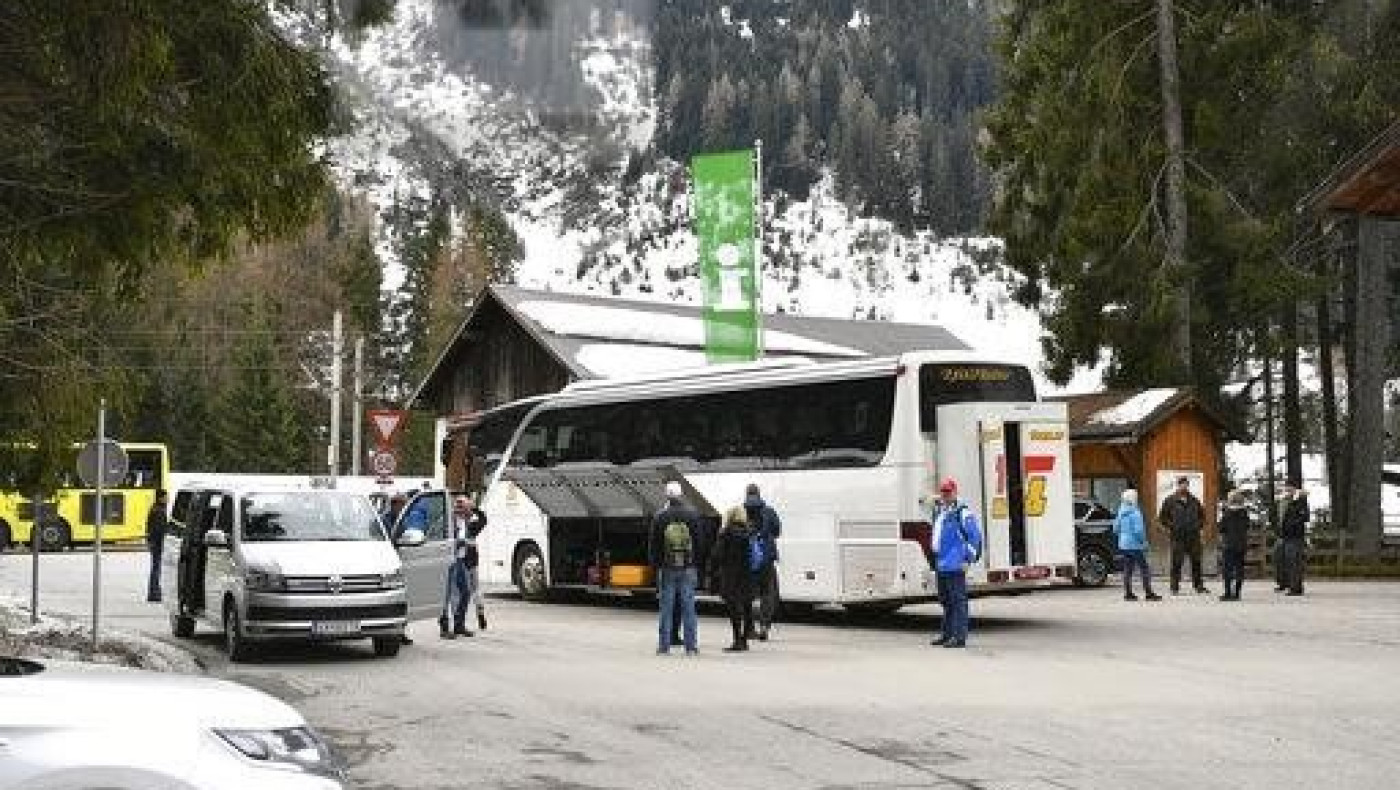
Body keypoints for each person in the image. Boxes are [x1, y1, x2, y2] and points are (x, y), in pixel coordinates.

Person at [927, 477, 983, 648]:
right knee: (945, 600)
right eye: (943, 492)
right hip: (941, 563)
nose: (945, 495)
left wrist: (968, 560)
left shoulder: (963, 513)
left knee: (958, 601)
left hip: (955, 563)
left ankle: (959, 637)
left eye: (948, 492)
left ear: (955, 492)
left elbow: (975, 537)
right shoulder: (941, 511)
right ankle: (947, 634)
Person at [651, 481, 701, 655]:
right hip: (688, 566)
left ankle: (664, 646)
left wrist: (656, 566)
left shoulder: (660, 517)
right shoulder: (692, 516)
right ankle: (691, 646)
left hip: (667, 567)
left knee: (666, 607)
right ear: (681, 495)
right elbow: (699, 542)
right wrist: (696, 563)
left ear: (667, 495)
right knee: (689, 606)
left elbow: (654, 546)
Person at [712, 505, 758, 652]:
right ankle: (744, 639)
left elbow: (717, 555)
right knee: (746, 606)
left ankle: (737, 640)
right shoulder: (749, 531)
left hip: (731, 575)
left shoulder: (726, 533)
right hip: (748, 574)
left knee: (734, 608)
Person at [743, 483, 782, 641]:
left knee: (747, 594)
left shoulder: (741, 511)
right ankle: (764, 625)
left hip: (749, 559)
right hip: (766, 559)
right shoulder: (769, 511)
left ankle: (749, 627)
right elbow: (777, 531)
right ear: (759, 494)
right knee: (768, 593)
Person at [1158, 476, 1209, 594]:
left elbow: (1202, 517)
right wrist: (1172, 527)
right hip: (1177, 537)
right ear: (1178, 485)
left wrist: (1198, 525)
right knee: (1176, 563)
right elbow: (1162, 518)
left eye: (1186, 484)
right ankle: (1174, 587)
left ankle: (1198, 586)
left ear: (1188, 486)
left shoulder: (1194, 500)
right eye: (1182, 484)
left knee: (1196, 562)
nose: (1184, 486)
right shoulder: (1170, 500)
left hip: (1193, 536)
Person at [440, 495, 478, 639]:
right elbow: (444, 539)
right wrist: (461, 542)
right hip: (448, 560)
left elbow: (483, 520)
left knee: (466, 592)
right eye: (464, 508)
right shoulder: (448, 521)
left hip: (461, 560)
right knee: (445, 594)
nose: (469, 512)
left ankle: (459, 625)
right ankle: (444, 627)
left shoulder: (467, 522)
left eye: (469, 509)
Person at [1114, 489, 1161, 602]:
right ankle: (1148, 593)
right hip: (1134, 545)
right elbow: (1139, 531)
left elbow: (1115, 528)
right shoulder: (1135, 512)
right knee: (1144, 568)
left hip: (1124, 545)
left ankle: (1128, 593)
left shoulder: (1121, 512)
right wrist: (1144, 542)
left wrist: (1123, 536)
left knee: (1128, 569)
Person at [1277, 480, 1309, 596]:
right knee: (1286, 560)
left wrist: (1292, 524)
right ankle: (1288, 584)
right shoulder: (1284, 500)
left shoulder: (1301, 500)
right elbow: (1282, 517)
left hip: (1296, 535)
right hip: (1285, 535)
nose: (1287, 490)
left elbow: (1305, 517)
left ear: (1294, 488)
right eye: (1286, 488)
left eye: (1289, 488)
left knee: (1295, 562)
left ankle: (1296, 587)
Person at [462, 494, 489, 631]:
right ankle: (480, 614)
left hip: (464, 560)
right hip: (471, 559)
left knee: (464, 591)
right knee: (475, 590)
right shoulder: (472, 526)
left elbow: (483, 520)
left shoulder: (458, 527)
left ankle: (462, 620)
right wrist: (475, 508)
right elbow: (484, 519)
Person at [1218, 489, 1251, 601]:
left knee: (1227, 569)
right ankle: (1237, 593)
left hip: (1229, 545)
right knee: (1239, 569)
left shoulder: (1227, 513)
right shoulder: (1245, 513)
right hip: (1241, 545)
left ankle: (1228, 593)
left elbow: (1221, 528)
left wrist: (1223, 512)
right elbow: (1247, 527)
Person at [145, 489, 169, 603]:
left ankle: (153, 592)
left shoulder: (155, 508)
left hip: (154, 543)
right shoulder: (159, 511)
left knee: (155, 567)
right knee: (156, 568)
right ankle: (154, 593)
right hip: (157, 543)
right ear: (160, 498)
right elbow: (159, 530)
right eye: (165, 497)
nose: (167, 499)